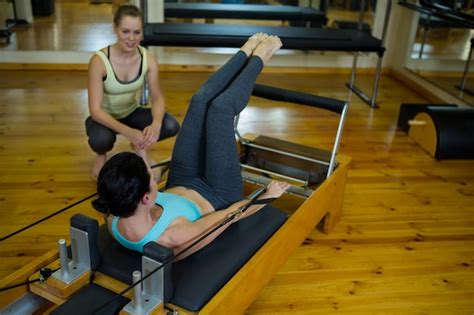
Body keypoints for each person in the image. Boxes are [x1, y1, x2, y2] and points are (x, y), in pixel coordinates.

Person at [93, 33, 290, 260]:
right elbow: (231, 214)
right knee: (220, 109)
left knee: (198, 102)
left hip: (181, 179)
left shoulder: (115, 215)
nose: (154, 175)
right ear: (146, 198)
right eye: (151, 176)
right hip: (217, 192)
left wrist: (146, 159)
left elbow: (135, 187)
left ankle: (246, 50)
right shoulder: (174, 236)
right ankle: (261, 57)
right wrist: (268, 195)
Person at [86, 4, 179, 179]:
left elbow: (157, 97)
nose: (131, 38)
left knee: (171, 125)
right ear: (115, 29)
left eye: (137, 32)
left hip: (130, 111)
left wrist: (155, 124)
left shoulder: (147, 58)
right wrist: (130, 132)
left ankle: (139, 147)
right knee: (100, 140)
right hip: (103, 118)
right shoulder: (99, 61)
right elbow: (95, 111)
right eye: (125, 31)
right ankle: (101, 156)